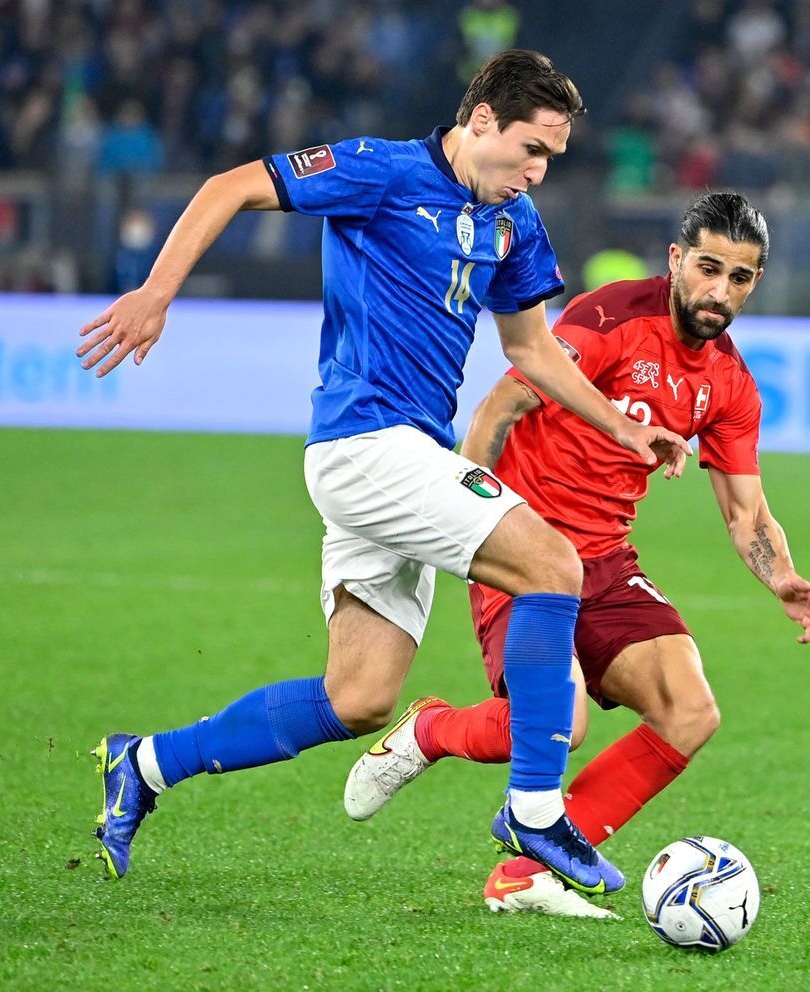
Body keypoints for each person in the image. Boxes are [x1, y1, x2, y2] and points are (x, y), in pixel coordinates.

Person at [76, 50, 690, 894]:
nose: (538, 172)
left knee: (358, 696)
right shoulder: (379, 171)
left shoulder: (515, 222)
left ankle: (142, 765)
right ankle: (536, 809)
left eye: (552, 158)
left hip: (411, 459)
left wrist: (625, 427)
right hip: (366, 445)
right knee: (555, 564)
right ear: (481, 122)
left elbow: (531, 349)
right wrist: (155, 292)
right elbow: (229, 186)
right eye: (531, 150)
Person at [343, 192, 810, 917]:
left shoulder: (729, 384)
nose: (719, 291)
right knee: (564, 725)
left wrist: (784, 578)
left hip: (605, 560)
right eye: (708, 268)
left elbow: (746, 510)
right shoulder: (611, 318)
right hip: (519, 546)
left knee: (690, 711)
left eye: (739, 277)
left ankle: (526, 872)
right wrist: (461, 516)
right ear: (676, 260)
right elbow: (500, 407)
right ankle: (430, 730)